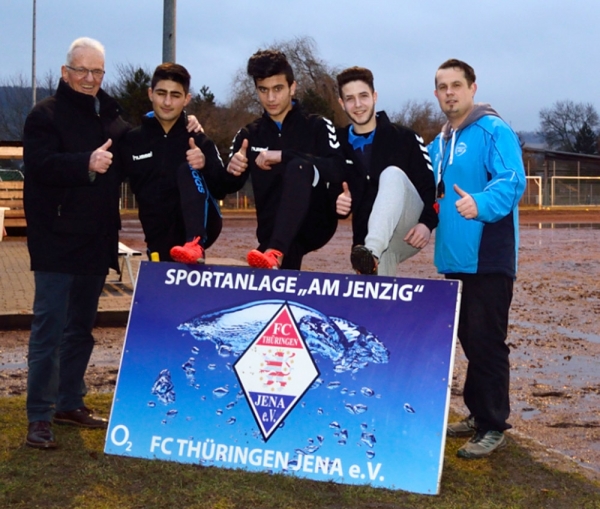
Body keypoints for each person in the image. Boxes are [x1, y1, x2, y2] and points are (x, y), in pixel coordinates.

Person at [22, 37, 127, 449]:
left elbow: (143, 147)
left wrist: (187, 124)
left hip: (95, 242)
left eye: (96, 71)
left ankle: (69, 403)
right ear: (65, 72)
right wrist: (85, 162)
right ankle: (39, 417)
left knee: (80, 329)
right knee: (48, 331)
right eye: (81, 70)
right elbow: (39, 165)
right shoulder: (43, 116)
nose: (89, 78)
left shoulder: (111, 117)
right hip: (55, 241)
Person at [428, 59, 526, 459]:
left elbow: (512, 180)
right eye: (441, 86)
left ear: (472, 87)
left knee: (487, 342)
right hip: (455, 257)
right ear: (436, 94)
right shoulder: (440, 140)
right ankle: (477, 413)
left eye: (456, 84)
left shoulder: (494, 130)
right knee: (469, 338)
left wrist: (480, 203)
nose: (449, 92)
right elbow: (433, 193)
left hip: (488, 254)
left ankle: (492, 425)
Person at [224, 50, 344, 270]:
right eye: (263, 90)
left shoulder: (317, 125)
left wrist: (283, 155)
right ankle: (274, 253)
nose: (270, 98)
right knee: (273, 282)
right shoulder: (248, 135)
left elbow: (337, 169)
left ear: (292, 87)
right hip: (271, 229)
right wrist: (233, 168)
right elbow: (225, 186)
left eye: (277, 89)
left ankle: (275, 251)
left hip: (314, 223)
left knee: (298, 166)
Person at [335, 66, 438, 276]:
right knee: (375, 301)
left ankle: (371, 251)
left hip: (407, 229)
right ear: (341, 103)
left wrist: (427, 224)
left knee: (392, 174)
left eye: (363, 96)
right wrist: (337, 202)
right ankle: (370, 257)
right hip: (365, 238)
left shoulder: (405, 138)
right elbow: (328, 187)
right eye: (350, 98)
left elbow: (429, 187)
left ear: (374, 96)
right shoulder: (336, 144)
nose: (358, 105)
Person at [120, 63, 226, 264]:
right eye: (161, 93)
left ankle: (194, 243)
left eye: (175, 95)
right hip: (157, 245)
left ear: (186, 99)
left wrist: (205, 165)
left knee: (187, 169)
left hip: (197, 241)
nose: (167, 102)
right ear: (150, 93)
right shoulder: (131, 141)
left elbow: (222, 188)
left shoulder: (199, 139)